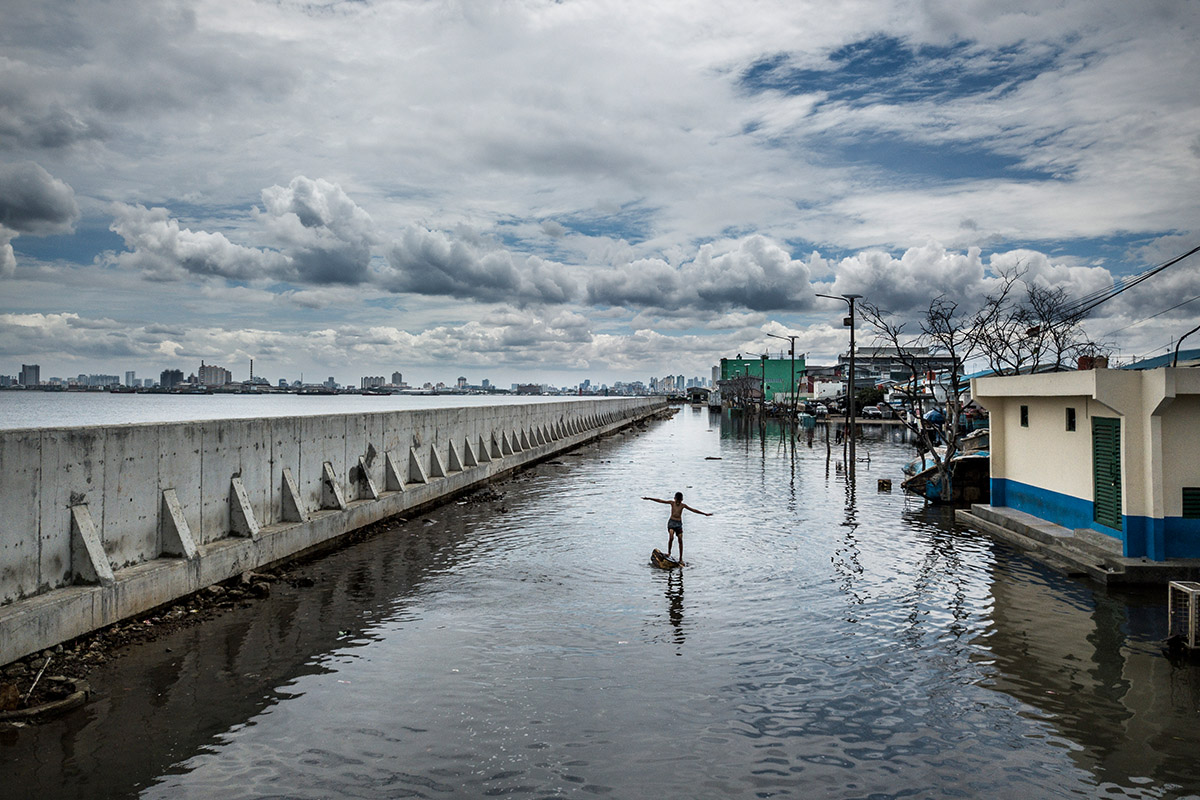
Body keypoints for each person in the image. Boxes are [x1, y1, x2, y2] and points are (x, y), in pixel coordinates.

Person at [642, 492, 712, 564]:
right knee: (671, 537)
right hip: (672, 523)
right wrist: (649, 498)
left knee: (680, 540)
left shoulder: (683, 505)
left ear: (682, 500)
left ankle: (681, 558)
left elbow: (693, 510)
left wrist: (705, 514)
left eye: (679, 501)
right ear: (674, 499)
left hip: (678, 524)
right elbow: (661, 500)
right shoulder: (672, 503)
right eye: (677, 501)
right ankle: (669, 553)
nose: (678, 503)